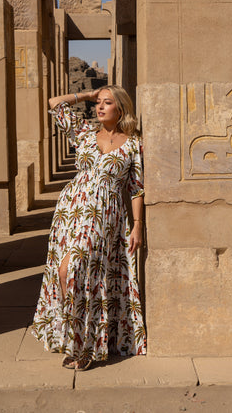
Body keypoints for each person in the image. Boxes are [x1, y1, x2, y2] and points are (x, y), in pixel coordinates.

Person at [32, 85, 146, 371]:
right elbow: (54, 103)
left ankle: (84, 344)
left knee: (76, 272)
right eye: (99, 102)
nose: (101, 107)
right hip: (71, 211)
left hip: (104, 215)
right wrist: (87, 94)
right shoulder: (84, 133)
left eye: (108, 102)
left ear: (121, 108)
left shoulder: (134, 144)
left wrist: (137, 227)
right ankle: (78, 341)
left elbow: (136, 189)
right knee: (67, 272)